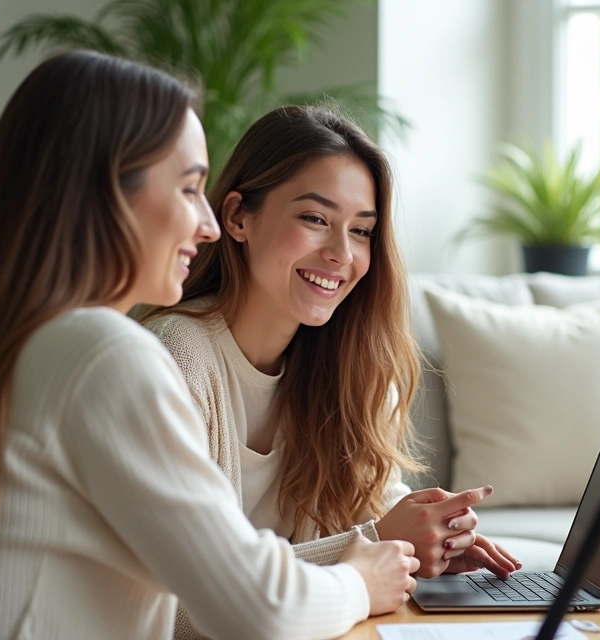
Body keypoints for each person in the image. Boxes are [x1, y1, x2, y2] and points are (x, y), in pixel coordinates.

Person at [0, 52, 418, 640]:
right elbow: (256, 607)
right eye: (188, 189)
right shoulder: (101, 355)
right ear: (104, 193)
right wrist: (361, 579)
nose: (208, 224)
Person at [140, 105, 521, 637]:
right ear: (238, 217)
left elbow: (374, 505)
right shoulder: (173, 360)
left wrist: (429, 537)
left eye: (362, 230)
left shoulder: (351, 365)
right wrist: (375, 546)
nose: (342, 253)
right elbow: (172, 609)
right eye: (315, 219)